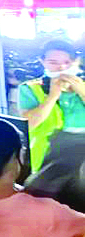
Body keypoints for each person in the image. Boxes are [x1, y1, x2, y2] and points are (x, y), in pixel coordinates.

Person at [19, 39, 85, 174]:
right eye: (53, 62)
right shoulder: (31, 88)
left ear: (75, 62)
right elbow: (29, 124)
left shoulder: (82, 86)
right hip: (48, 164)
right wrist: (52, 97)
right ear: (42, 62)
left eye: (67, 62)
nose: (61, 68)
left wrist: (82, 92)